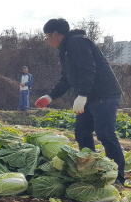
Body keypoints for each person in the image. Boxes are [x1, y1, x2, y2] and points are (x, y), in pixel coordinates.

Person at [35, 18, 125, 185]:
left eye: (47, 36)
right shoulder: (65, 50)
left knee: (105, 134)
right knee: (82, 133)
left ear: (56, 33)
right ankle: (90, 172)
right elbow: (66, 78)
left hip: (104, 95)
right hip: (89, 97)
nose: (47, 40)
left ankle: (117, 178)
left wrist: (82, 95)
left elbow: (88, 69)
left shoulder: (77, 42)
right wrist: (50, 97)